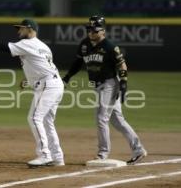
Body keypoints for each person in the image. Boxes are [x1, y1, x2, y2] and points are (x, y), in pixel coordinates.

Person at [0, 19, 65, 167]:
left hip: (47, 86)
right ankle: (57, 157)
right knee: (47, 122)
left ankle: (45, 155)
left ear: (30, 29)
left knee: (35, 118)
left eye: (21, 28)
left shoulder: (27, 43)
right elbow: (41, 65)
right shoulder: (43, 46)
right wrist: (27, 78)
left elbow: (3, 47)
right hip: (55, 84)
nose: (18, 31)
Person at [62, 15, 147, 165]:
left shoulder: (110, 47)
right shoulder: (84, 45)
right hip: (97, 85)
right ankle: (138, 150)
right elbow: (77, 62)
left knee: (101, 117)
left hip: (109, 84)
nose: (90, 32)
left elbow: (122, 65)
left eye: (94, 30)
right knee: (118, 121)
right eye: (89, 29)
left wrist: (124, 84)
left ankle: (103, 154)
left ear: (102, 31)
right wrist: (67, 77)